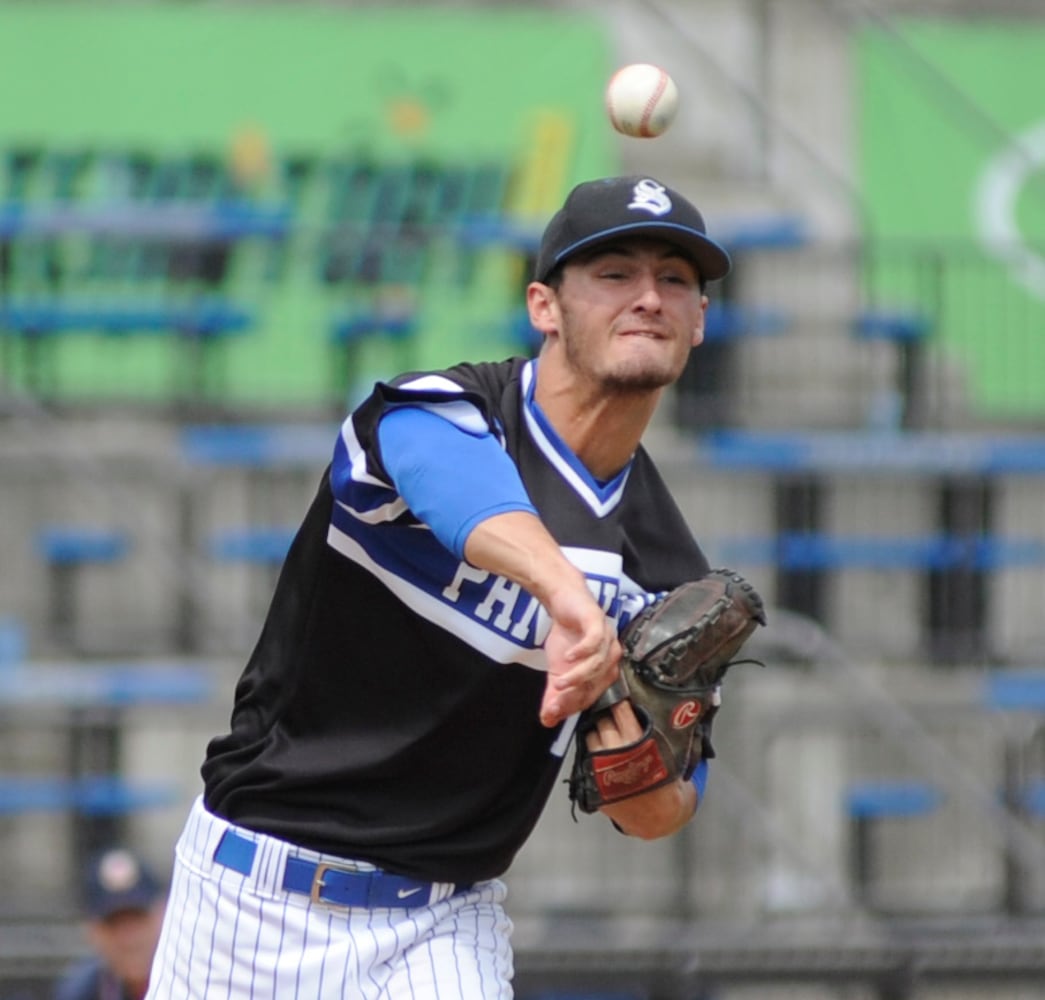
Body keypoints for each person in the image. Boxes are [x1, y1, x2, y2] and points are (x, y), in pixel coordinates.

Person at [145, 174, 732, 999]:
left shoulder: (666, 571)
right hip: (257, 900)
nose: (648, 297)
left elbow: (663, 811)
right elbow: (449, 482)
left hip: (444, 922)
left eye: (675, 279)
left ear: (700, 320)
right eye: (613, 274)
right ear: (543, 306)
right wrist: (568, 598)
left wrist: (644, 773)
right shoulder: (439, 412)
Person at [56, 846, 166, 1000]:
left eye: (138, 919)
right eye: (113, 924)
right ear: (91, 931)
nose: (129, 939)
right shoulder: (82, 992)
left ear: (163, 915)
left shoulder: (197, 978)